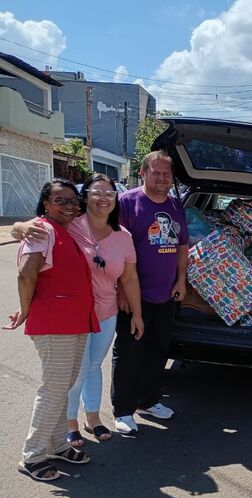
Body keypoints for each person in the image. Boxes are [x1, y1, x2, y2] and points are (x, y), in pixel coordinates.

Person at [11, 174, 144, 446]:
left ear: (116, 199)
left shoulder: (123, 235)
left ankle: (92, 417)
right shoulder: (70, 223)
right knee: (77, 370)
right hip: (72, 313)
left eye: (109, 193)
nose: (103, 198)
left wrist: (138, 314)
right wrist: (19, 226)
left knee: (94, 366)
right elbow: (35, 228)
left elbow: (129, 278)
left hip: (106, 311)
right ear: (87, 197)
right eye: (97, 192)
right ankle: (68, 422)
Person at [4, 180, 99, 481]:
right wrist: (26, 310)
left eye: (74, 201)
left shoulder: (65, 230)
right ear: (46, 203)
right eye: (61, 200)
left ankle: (57, 443)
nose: (69, 206)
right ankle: (32, 456)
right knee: (54, 387)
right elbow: (25, 274)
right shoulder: (42, 229)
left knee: (66, 383)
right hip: (54, 322)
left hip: (73, 320)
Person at [112, 151, 188, 434]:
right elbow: (116, 246)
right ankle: (123, 410)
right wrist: (120, 288)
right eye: (155, 172)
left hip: (165, 294)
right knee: (130, 351)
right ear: (142, 173)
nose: (161, 178)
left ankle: (149, 401)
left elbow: (182, 246)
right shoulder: (127, 202)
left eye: (166, 174)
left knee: (157, 350)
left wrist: (181, 281)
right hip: (134, 294)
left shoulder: (176, 206)